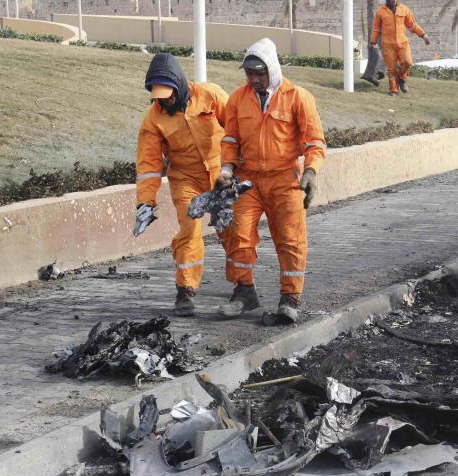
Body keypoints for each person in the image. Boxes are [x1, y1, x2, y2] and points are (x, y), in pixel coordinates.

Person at [216, 38, 326, 324]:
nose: (254, 79)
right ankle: (243, 292)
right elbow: (230, 139)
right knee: (237, 234)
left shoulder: (298, 98)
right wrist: (226, 169)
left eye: (259, 73)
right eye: (249, 73)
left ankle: (289, 298)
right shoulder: (238, 99)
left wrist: (311, 172)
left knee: (291, 239)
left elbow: (314, 142)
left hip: (284, 180)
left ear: (273, 70)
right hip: (248, 180)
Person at [133, 52, 229, 316]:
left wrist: (237, 168)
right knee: (190, 229)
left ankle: (243, 285)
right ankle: (185, 290)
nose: (165, 103)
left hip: (221, 176)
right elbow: (148, 166)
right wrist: (145, 202)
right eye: (159, 98)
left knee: (231, 230)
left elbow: (237, 128)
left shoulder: (210, 96)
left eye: (169, 96)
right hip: (186, 179)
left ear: (180, 85)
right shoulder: (153, 119)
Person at [370, 0, 430, 96]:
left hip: (403, 44)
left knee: (408, 62)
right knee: (391, 69)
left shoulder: (404, 9)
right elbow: (376, 28)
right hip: (388, 45)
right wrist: (373, 42)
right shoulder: (380, 12)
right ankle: (393, 90)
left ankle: (402, 78)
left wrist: (423, 35)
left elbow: (412, 25)